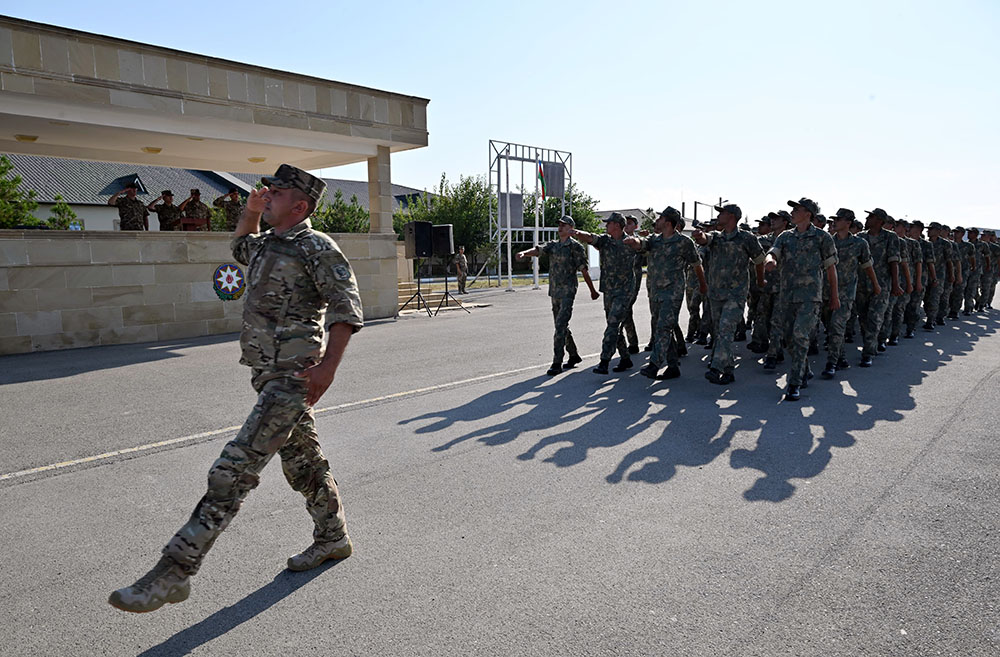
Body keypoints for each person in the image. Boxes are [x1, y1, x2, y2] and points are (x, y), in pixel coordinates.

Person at [109, 164, 364, 613]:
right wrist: (249, 211)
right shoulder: (267, 244)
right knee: (304, 465)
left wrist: (327, 368)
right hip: (266, 376)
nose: (268, 195)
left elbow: (346, 307)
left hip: (293, 377)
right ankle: (333, 537)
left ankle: (174, 572)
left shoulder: (316, 246)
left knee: (233, 469)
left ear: (299, 205)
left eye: (278, 193)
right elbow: (240, 245)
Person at [762, 198, 838, 401]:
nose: (793, 212)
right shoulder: (786, 237)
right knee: (789, 339)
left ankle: (794, 383)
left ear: (808, 213)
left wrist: (834, 296)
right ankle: (804, 369)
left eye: (797, 209)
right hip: (787, 296)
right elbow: (773, 253)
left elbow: (831, 268)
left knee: (800, 336)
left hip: (810, 297)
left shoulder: (822, 237)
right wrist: (770, 261)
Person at [627, 206, 705, 380]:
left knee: (663, 327)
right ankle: (673, 366)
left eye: (661, 218)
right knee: (662, 327)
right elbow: (642, 244)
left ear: (668, 222)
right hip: (655, 292)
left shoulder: (684, 243)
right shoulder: (654, 240)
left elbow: (696, 264)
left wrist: (703, 285)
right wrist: (634, 242)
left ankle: (654, 364)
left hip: (673, 292)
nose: (657, 220)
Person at [516, 215, 599, 376]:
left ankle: (557, 362)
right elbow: (539, 250)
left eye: (563, 225)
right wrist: (524, 253)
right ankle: (573, 355)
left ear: (571, 228)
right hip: (555, 291)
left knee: (560, 325)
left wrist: (592, 290)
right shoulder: (554, 245)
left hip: (568, 291)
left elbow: (583, 269)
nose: (560, 227)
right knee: (560, 325)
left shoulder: (575, 247)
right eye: (559, 224)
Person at [692, 203, 764, 385]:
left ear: (731, 216)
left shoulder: (747, 238)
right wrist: (700, 236)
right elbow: (705, 239)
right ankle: (729, 370)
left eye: (721, 213)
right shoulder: (716, 237)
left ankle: (716, 367)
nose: (718, 216)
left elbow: (759, 260)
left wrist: (760, 281)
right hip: (716, 294)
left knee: (725, 329)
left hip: (736, 294)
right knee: (719, 333)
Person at [573, 212, 636, 374]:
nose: (606, 225)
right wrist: (577, 233)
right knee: (613, 326)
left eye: (608, 223)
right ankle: (626, 358)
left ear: (616, 225)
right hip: (609, 290)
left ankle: (604, 361)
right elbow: (590, 238)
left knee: (613, 324)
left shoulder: (630, 242)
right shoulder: (605, 241)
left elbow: (648, 248)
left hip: (624, 291)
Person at [821, 209, 878, 379]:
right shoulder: (826, 241)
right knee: (830, 326)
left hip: (846, 292)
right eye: (834, 219)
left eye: (838, 219)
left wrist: (876, 285)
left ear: (848, 223)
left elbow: (868, 266)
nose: (834, 222)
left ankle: (831, 363)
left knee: (837, 326)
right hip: (825, 291)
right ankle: (841, 356)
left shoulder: (860, 244)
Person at [855, 208, 902, 366]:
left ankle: (868, 352)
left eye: (871, 217)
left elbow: (894, 261)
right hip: (861, 284)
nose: (867, 218)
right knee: (863, 319)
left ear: (880, 221)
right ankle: (871, 344)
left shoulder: (890, 237)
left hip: (881, 285)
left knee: (875, 319)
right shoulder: (860, 237)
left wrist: (895, 284)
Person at [621, 214, 644, 354]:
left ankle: (631, 342)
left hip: (634, 278)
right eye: (625, 223)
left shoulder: (639, 241)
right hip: (619, 280)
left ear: (635, 226)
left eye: (629, 223)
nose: (626, 225)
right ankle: (632, 342)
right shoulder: (618, 239)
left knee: (626, 309)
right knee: (625, 311)